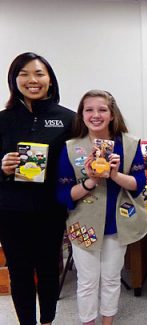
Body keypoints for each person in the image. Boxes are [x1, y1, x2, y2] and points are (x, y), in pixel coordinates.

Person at [57, 90, 147, 325]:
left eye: (102, 109)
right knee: (87, 280)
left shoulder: (128, 145)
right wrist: (91, 180)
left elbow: (138, 185)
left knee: (110, 278)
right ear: (82, 114)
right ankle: (88, 322)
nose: (95, 115)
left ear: (111, 114)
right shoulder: (71, 148)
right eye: (89, 109)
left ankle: (107, 322)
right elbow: (64, 194)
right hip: (84, 224)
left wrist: (115, 175)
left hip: (118, 223)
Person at [0, 52, 75, 325]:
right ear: (14, 80)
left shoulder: (68, 119)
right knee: (19, 271)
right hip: (10, 209)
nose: (32, 80)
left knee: (47, 268)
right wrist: (2, 168)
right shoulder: (3, 119)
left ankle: (47, 321)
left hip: (50, 208)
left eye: (39, 74)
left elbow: (78, 161)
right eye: (24, 74)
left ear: (50, 81)